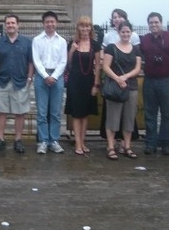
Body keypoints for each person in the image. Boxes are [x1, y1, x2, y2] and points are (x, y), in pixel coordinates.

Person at [140, 12, 169, 156]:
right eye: (151, 23)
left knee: (167, 113)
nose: (154, 25)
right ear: (148, 25)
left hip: (166, 79)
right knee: (150, 113)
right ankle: (151, 143)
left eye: (156, 22)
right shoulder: (145, 39)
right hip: (150, 80)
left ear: (161, 23)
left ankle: (165, 143)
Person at [0, 14, 34, 154]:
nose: (10, 25)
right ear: (5, 25)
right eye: (8, 23)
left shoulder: (27, 42)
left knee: (20, 113)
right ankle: (0, 139)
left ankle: (18, 140)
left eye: (13, 23)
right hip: (2, 81)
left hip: (20, 82)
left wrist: (29, 78)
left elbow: (30, 62)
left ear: (18, 25)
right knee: (0, 112)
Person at [102, 21, 142, 160]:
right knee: (113, 118)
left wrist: (125, 77)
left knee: (129, 118)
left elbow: (137, 68)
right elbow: (105, 66)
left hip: (131, 86)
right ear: (118, 33)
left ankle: (127, 146)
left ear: (131, 33)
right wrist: (118, 79)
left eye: (127, 32)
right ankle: (111, 146)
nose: (125, 34)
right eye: (123, 32)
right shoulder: (111, 48)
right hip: (115, 86)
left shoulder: (136, 49)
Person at [64, 16, 102, 155]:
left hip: (89, 81)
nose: (85, 29)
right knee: (76, 113)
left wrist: (96, 84)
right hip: (75, 81)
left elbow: (98, 66)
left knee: (85, 114)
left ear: (90, 28)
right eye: (82, 26)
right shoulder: (72, 43)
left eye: (87, 26)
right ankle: (77, 143)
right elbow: (67, 65)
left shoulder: (95, 45)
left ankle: (83, 141)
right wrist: (72, 51)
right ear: (78, 28)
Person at [32, 10, 68, 154]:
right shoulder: (36, 40)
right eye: (47, 22)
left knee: (55, 112)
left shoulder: (62, 41)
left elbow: (63, 61)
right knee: (41, 112)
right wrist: (46, 75)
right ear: (43, 23)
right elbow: (36, 60)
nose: (50, 24)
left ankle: (54, 140)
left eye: (52, 21)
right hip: (42, 76)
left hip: (57, 76)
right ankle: (43, 141)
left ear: (56, 23)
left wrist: (54, 76)